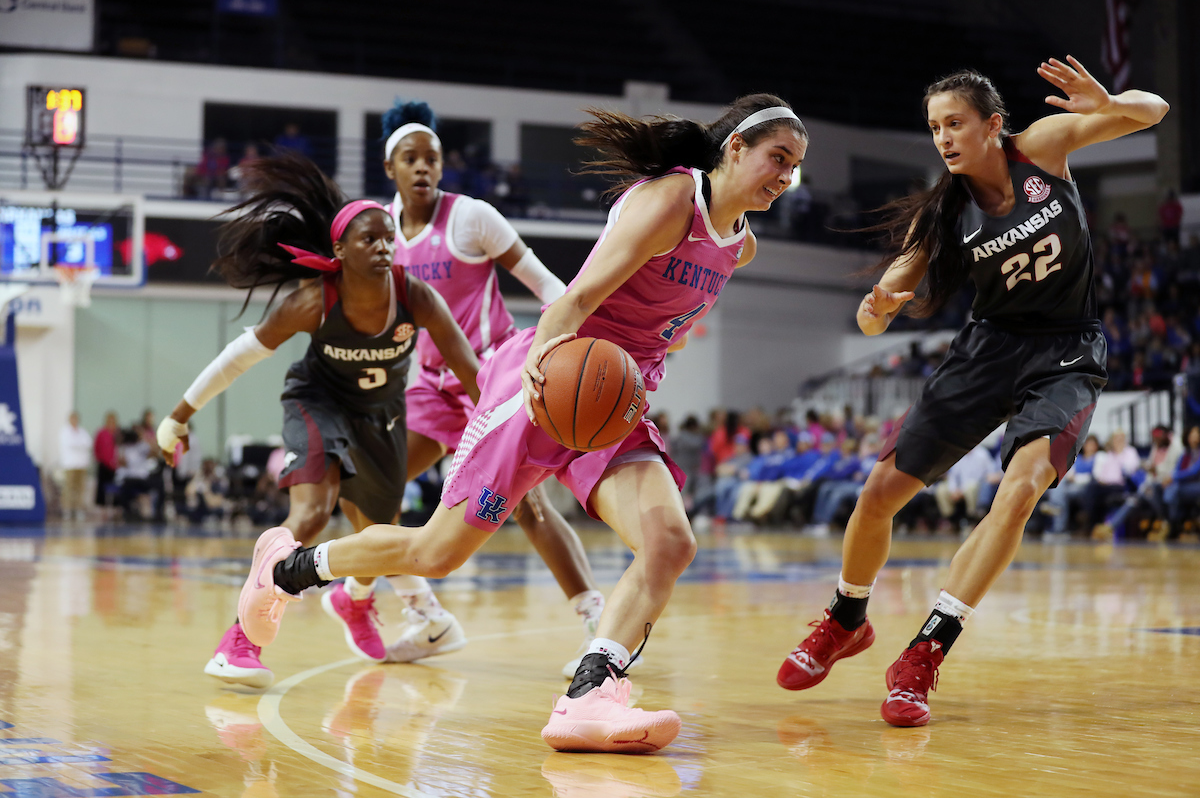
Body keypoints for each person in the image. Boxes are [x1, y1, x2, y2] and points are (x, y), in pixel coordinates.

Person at [235, 94, 808, 752]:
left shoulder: (742, 247)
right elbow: (579, 295)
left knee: (669, 543)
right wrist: (536, 370)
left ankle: (588, 698)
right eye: (777, 158)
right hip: (547, 377)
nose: (785, 177)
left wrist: (649, 365)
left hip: (609, 402)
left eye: (794, 167)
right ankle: (285, 571)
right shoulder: (672, 201)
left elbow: (661, 324)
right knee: (436, 552)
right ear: (735, 148)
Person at [776, 58, 1168, 727]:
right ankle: (847, 619)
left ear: (992, 125)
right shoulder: (943, 215)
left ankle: (926, 650)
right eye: (935, 129)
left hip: (1067, 350)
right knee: (877, 496)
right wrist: (879, 308)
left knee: (1018, 494)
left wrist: (1110, 101)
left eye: (955, 123)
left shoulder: (1041, 148)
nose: (944, 138)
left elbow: (1154, 109)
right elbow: (876, 310)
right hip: (988, 351)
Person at [154, 151, 482, 690]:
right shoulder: (313, 301)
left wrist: (509, 438)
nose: (382, 247)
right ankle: (240, 642)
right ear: (339, 250)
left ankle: (354, 604)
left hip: (381, 417)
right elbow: (238, 356)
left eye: (388, 238)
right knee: (310, 512)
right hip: (316, 402)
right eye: (368, 240)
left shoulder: (415, 296)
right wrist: (178, 416)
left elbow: (474, 377)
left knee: (379, 534)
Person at [378, 100, 605, 674]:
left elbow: (547, 283)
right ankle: (426, 617)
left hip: (491, 377)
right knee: (372, 489)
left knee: (527, 505)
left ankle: (596, 622)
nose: (424, 167)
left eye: (432, 157)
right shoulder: (379, 232)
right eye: (411, 158)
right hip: (431, 384)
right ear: (392, 169)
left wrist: (573, 339)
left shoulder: (472, 217)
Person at [59, 411, 93, 521]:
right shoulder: (65, 432)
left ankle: (78, 509)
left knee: (80, 488)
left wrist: (79, 445)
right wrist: (80, 445)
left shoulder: (82, 431)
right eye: (72, 418)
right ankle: (67, 509)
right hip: (70, 464)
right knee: (69, 487)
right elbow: (71, 444)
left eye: (76, 418)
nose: (74, 421)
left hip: (81, 464)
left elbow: (89, 443)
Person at [93, 411, 121, 517]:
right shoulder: (101, 433)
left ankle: (115, 508)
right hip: (103, 464)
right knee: (102, 487)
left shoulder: (117, 434)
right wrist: (99, 459)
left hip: (115, 465)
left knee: (115, 486)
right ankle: (102, 508)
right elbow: (96, 447)